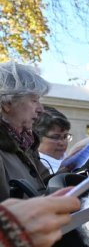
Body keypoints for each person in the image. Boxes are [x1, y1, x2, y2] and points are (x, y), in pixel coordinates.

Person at [0, 61, 50, 198]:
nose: (41, 109)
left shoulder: (26, 144)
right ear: (7, 103)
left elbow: (44, 188)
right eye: (34, 100)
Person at [34, 107, 70, 176]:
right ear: (37, 137)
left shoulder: (67, 158)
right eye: (55, 137)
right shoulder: (37, 167)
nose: (62, 143)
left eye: (65, 136)